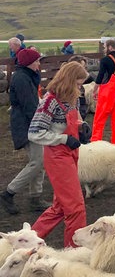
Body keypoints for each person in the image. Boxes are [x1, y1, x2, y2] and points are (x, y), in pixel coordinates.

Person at [28, 61, 89, 248]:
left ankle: (28, 240)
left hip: (71, 153)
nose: (80, 88)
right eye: (78, 83)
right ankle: (74, 250)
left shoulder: (72, 98)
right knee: (75, 208)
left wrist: (82, 128)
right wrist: (63, 139)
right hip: (57, 156)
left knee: (60, 207)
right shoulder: (50, 101)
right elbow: (34, 132)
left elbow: (72, 121)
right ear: (70, 80)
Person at [0, 49, 51, 215]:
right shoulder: (22, 78)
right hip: (27, 124)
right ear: (29, 62)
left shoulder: (26, 76)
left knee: (39, 160)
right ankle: (8, 193)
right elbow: (29, 106)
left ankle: (35, 198)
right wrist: (41, 124)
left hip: (29, 123)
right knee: (37, 161)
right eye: (37, 61)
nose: (39, 64)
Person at [67, 55, 94, 119]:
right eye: (82, 68)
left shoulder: (82, 85)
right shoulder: (67, 88)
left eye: (85, 68)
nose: (84, 71)